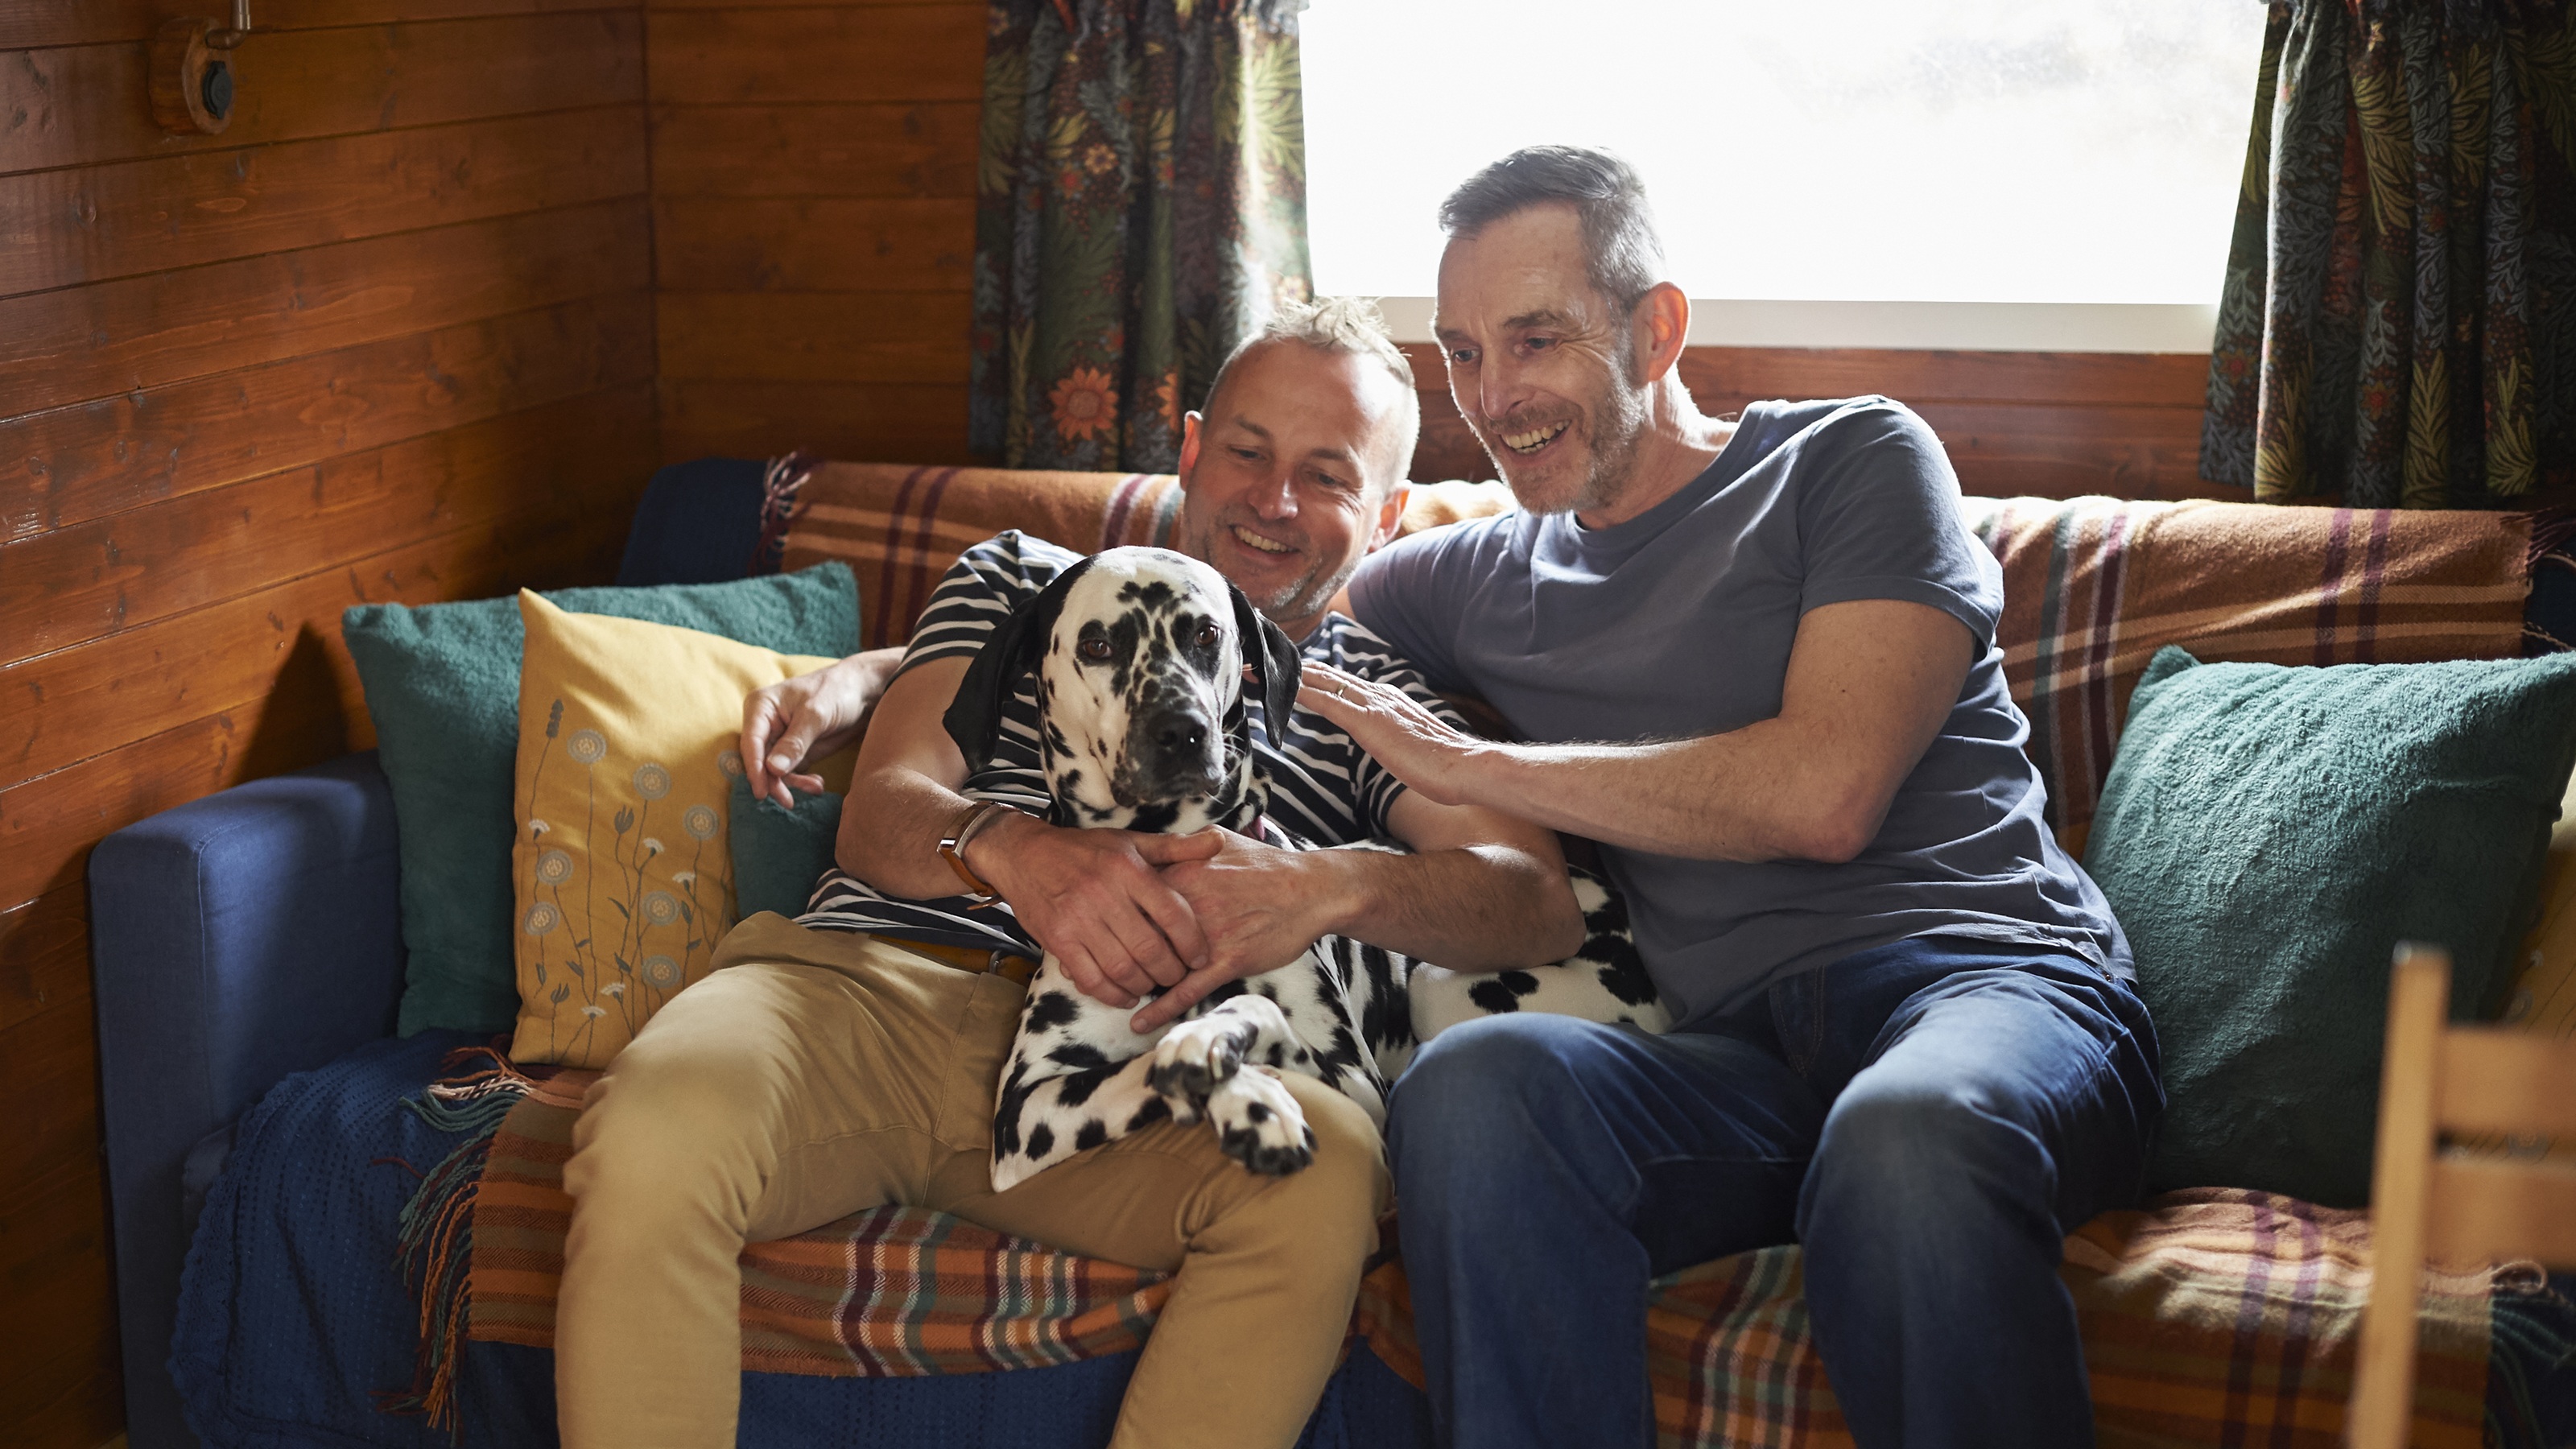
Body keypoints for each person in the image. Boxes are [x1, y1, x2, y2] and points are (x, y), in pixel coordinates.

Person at [554, 298, 1585, 1449]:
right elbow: (882, 812)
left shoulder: (1364, 702)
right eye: (1246, 451)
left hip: (1149, 1071)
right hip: (870, 995)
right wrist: (1020, 854)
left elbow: (1531, 898)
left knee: (1320, 1175)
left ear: (1387, 514)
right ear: (1191, 450)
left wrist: (1337, 887)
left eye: (1326, 475)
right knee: (652, 1130)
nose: (1273, 500)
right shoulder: (1020, 580)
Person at [1296, 147, 2165, 1449]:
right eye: (1463, 353)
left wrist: (1478, 767)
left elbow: (1828, 793)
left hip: (1992, 997)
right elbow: (1266, 619)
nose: (1493, 396)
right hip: (1737, 1067)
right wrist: (927, 667)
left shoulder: (1852, 460)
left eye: (1536, 339)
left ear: (1657, 328)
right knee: (1475, 1094)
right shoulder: (1471, 576)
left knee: (1907, 1140)